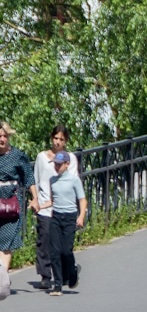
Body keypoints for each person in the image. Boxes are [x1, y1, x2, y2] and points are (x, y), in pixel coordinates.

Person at [33, 126, 80, 289]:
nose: (58, 142)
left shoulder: (70, 158)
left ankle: (66, 273)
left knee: (62, 246)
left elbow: (72, 181)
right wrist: (36, 200)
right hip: (45, 205)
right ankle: (45, 275)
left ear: (65, 141)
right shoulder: (41, 157)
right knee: (44, 239)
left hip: (62, 206)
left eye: (61, 139)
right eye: (56, 138)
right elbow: (37, 180)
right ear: (51, 138)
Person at [0, 122, 37, 301]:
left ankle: (2, 280)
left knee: (6, 241)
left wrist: (35, 198)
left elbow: (29, 177)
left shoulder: (17, 156)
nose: (2, 139)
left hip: (11, 204)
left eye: (4, 136)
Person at [45, 151, 86, 295]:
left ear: (67, 164)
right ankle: (57, 285)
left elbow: (82, 200)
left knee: (66, 251)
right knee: (55, 252)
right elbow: (52, 200)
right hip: (56, 216)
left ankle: (72, 270)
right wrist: (39, 206)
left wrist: (81, 216)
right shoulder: (52, 180)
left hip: (69, 217)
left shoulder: (74, 180)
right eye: (55, 164)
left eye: (59, 164)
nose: (56, 166)